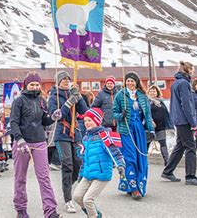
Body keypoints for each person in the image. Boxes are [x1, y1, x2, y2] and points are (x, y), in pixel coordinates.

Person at [11, 72, 60, 218]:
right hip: (22, 143)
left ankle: (50, 211)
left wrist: (52, 117)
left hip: (39, 142)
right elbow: (13, 122)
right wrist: (19, 139)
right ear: (26, 85)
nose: (35, 87)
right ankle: (21, 210)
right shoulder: (19, 101)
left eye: (37, 84)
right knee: (20, 177)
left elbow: (44, 121)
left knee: (44, 178)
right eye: (32, 84)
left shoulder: (41, 100)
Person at [73, 108, 125, 217]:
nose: (87, 123)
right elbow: (85, 159)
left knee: (88, 200)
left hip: (101, 174)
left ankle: (94, 216)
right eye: (85, 121)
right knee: (77, 197)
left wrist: (121, 165)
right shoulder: (86, 138)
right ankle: (96, 214)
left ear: (97, 121)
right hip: (87, 174)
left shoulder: (105, 135)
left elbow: (116, 153)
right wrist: (81, 174)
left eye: (90, 120)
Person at [48, 70, 88, 213]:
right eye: (63, 79)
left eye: (68, 79)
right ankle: (68, 199)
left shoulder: (73, 92)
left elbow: (84, 111)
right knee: (67, 164)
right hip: (62, 133)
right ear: (58, 82)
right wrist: (69, 103)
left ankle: (67, 186)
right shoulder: (53, 97)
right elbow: (57, 116)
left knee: (79, 163)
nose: (66, 81)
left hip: (75, 133)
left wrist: (78, 96)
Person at [162, 62, 197, 186]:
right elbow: (186, 104)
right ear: (188, 70)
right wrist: (192, 122)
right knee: (191, 147)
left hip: (178, 118)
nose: (193, 72)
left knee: (180, 145)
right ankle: (190, 176)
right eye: (192, 69)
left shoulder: (176, 82)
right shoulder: (184, 83)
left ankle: (168, 171)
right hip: (184, 120)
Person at [113, 71, 154, 199]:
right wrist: (121, 115)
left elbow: (147, 115)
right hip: (126, 130)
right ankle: (133, 187)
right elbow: (114, 113)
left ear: (136, 82)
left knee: (141, 158)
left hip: (139, 130)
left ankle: (139, 184)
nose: (130, 83)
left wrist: (151, 130)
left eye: (132, 81)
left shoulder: (142, 96)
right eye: (128, 81)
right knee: (129, 157)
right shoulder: (120, 95)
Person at [147, 85, 173, 165]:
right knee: (147, 143)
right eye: (151, 91)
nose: (152, 93)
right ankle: (143, 160)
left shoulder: (161, 102)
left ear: (157, 92)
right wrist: (150, 120)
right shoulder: (146, 102)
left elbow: (166, 114)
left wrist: (169, 124)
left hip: (160, 127)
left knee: (163, 143)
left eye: (154, 91)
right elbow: (145, 113)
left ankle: (167, 161)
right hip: (149, 126)